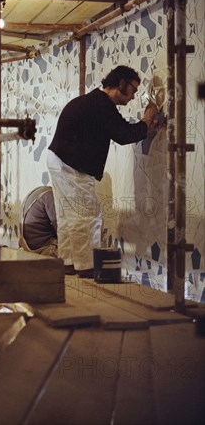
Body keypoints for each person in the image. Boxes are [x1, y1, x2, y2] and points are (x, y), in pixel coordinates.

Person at [47, 65, 158, 277]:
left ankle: (69, 262)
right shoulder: (102, 105)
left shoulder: (96, 102)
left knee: (69, 216)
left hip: (60, 160)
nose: (133, 96)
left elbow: (121, 130)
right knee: (86, 215)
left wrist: (145, 129)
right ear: (121, 84)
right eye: (133, 90)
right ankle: (86, 267)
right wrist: (145, 121)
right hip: (71, 165)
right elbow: (123, 134)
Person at [19, 186, 58, 257]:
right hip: (41, 248)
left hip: (27, 247)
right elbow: (60, 229)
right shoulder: (50, 195)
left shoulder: (41, 190)